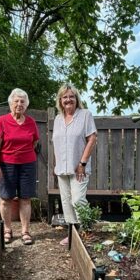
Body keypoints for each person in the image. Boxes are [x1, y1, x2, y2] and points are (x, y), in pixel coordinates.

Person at [0, 88, 40, 245]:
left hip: (28, 164)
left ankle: (25, 232)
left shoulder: (31, 122)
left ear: (26, 105)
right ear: (10, 103)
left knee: (25, 198)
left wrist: (23, 153)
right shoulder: (2, 121)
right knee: (6, 198)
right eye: (17, 101)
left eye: (23, 101)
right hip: (7, 165)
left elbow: (34, 142)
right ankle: (7, 230)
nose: (19, 104)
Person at [52, 84, 97, 246]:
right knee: (66, 201)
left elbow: (92, 139)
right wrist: (56, 165)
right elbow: (57, 143)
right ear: (60, 100)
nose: (68, 99)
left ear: (77, 99)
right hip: (62, 169)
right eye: (65, 97)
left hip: (79, 167)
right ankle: (72, 233)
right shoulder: (58, 119)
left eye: (71, 96)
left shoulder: (85, 115)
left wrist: (82, 163)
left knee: (78, 200)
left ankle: (87, 231)